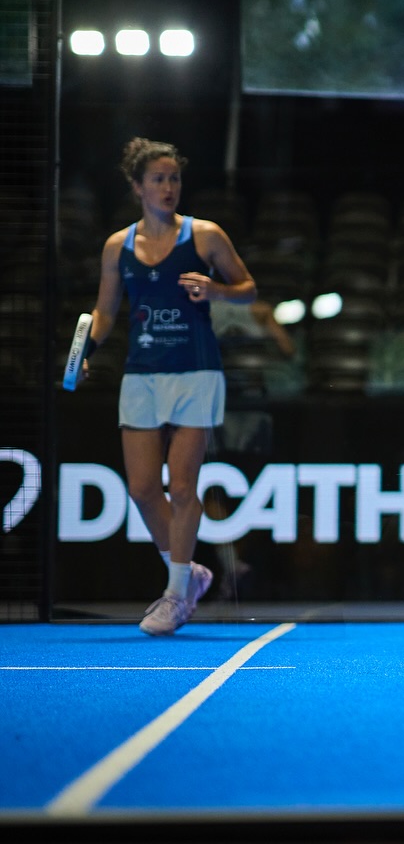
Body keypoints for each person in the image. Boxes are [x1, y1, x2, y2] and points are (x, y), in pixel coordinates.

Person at [79, 138, 257, 635]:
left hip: (196, 372)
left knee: (182, 485)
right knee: (140, 488)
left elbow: (249, 290)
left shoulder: (206, 237)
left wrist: (216, 289)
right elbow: (106, 312)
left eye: (173, 178)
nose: (168, 187)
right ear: (137, 187)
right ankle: (190, 572)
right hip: (142, 374)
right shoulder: (118, 246)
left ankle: (176, 595)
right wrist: (85, 353)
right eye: (157, 179)